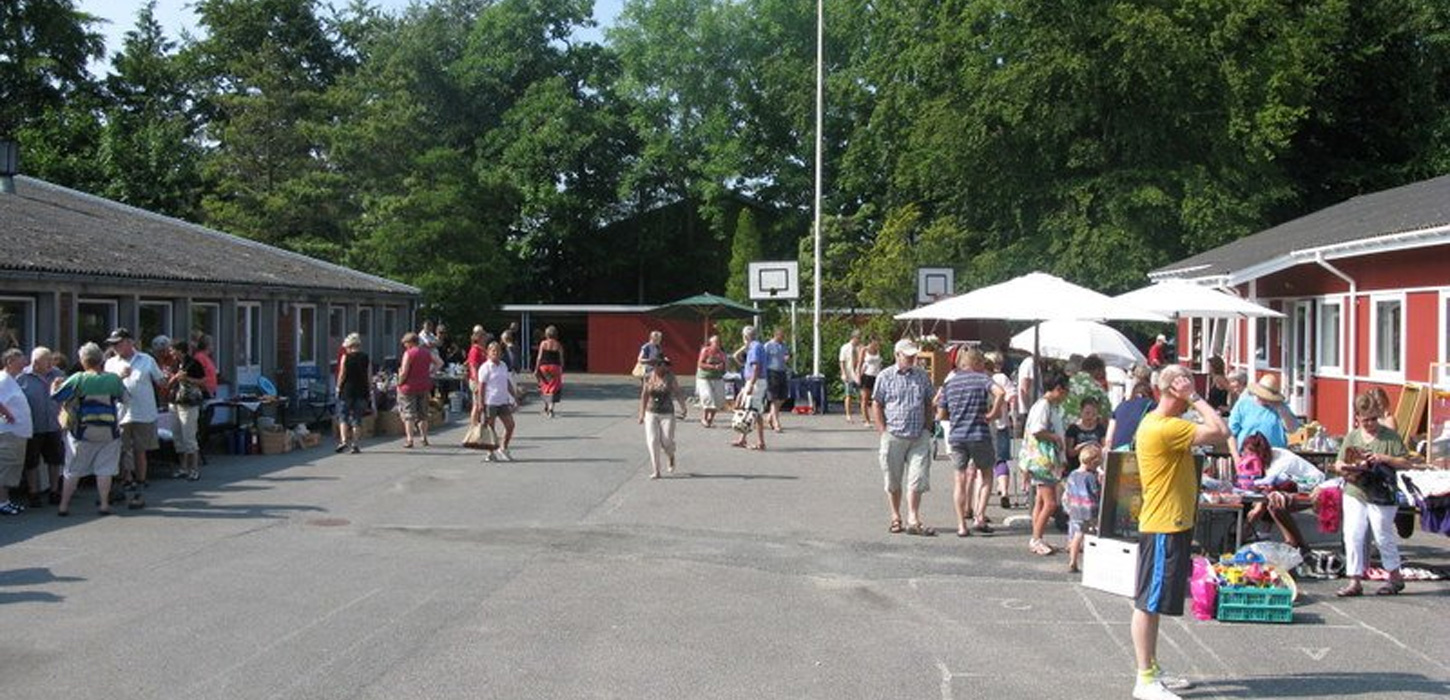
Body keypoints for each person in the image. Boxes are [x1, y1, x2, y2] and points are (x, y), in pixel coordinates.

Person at [1129, 365, 1227, 700]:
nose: (1190, 396)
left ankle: (1152, 668)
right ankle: (1144, 679)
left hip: (1172, 523)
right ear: (1173, 390)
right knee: (1148, 602)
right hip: (1162, 525)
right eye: (1186, 387)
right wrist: (1195, 396)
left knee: (1155, 601)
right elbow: (1221, 430)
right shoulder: (1164, 426)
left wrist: (1189, 394)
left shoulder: (1166, 424)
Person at [1333, 392, 1413, 597]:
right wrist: (1345, 467)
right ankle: (1354, 580)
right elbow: (1339, 462)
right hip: (1355, 489)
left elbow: (1406, 462)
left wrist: (1383, 458)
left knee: (1382, 533)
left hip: (1381, 490)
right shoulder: (1352, 436)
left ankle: (1394, 576)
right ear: (1357, 417)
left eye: (1373, 419)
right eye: (1365, 420)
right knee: (1353, 534)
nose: (1370, 424)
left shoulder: (1389, 437)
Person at [51, 342, 129, 516]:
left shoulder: (78, 378)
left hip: (82, 432)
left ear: (83, 360)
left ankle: (63, 506)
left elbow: (57, 397)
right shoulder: (113, 379)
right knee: (105, 469)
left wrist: (54, 386)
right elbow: (126, 399)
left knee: (72, 470)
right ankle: (104, 504)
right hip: (109, 431)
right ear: (101, 360)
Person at [936, 348, 1006, 536]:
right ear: (975, 363)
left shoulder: (950, 383)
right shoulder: (982, 379)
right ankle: (979, 517)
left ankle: (961, 525)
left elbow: (941, 414)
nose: (984, 366)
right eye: (981, 362)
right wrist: (992, 414)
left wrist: (956, 416)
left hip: (957, 436)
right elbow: (1000, 393)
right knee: (986, 475)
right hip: (979, 433)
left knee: (959, 479)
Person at [873, 338, 936, 536]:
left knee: (917, 478)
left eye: (913, 356)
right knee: (893, 479)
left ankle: (913, 517)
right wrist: (882, 429)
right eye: (907, 356)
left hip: (918, 436)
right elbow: (877, 403)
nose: (911, 359)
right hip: (894, 434)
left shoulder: (922, 376)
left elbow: (928, 402)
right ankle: (895, 516)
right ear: (897, 355)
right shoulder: (885, 376)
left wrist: (927, 428)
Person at [104, 328, 166, 509]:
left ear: (129, 342)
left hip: (143, 412)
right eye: (113, 344)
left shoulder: (146, 360)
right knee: (120, 451)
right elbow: (106, 386)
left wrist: (165, 379)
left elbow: (160, 381)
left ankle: (139, 488)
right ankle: (121, 484)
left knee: (140, 451)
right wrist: (119, 377)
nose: (115, 347)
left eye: (118, 343)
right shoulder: (110, 363)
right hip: (121, 413)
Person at [1021, 369, 1070, 555]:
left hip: (1042, 460)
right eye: (1065, 390)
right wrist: (1056, 438)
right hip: (1042, 460)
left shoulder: (1049, 406)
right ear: (1058, 389)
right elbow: (1037, 430)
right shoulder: (1044, 406)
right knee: (1050, 503)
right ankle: (1036, 538)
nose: (1066, 395)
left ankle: (1037, 536)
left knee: (1041, 502)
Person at [18, 347, 65, 506]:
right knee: (31, 461)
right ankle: (33, 493)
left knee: (55, 460)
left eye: (51, 360)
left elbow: (68, 394)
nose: (51, 364)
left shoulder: (57, 374)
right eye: (47, 361)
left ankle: (54, 491)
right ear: (36, 363)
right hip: (33, 426)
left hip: (53, 425)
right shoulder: (22, 377)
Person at [1227, 373, 1298, 463]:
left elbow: (1292, 429)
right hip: (1248, 457)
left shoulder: (1281, 407)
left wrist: (1280, 409)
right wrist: (1236, 457)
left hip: (1276, 458)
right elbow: (1230, 434)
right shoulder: (1243, 404)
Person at [638, 357, 687, 479]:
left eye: (665, 365)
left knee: (667, 441)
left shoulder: (670, 377)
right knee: (652, 440)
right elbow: (644, 394)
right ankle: (656, 470)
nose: (664, 367)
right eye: (660, 365)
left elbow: (677, 392)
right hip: (651, 412)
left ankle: (671, 456)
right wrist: (641, 413)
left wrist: (683, 407)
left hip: (667, 413)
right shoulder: (648, 376)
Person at [0, 349, 35, 515]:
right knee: (5, 467)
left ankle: (5, 500)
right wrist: (6, 413)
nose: (24, 363)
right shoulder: (3, 379)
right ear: (10, 361)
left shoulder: (11, 380)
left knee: (11, 468)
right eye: (20, 360)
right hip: (8, 433)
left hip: (16, 433)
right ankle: (2, 502)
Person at [166, 340, 207, 479]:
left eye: (172, 350)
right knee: (177, 436)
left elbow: (203, 382)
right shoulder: (174, 364)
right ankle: (183, 467)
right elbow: (169, 383)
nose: (170, 352)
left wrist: (187, 379)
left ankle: (194, 469)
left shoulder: (194, 363)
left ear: (180, 350)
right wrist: (173, 377)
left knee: (189, 436)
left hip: (189, 403)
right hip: (174, 401)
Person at [395, 332, 440, 448]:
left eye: (405, 343)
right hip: (424, 385)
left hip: (409, 387)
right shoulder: (427, 352)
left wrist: (399, 382)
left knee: (409, 414)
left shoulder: (408, 353)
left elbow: (404, 372)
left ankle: (410, 439)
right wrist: (431, 372)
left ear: (410, 342)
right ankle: (424, 437)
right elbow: (440, 363)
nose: (405, 346)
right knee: (423, 414)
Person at [1064, 443, 1104, 573]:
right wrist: (1100, 482)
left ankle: (1073, 560)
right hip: (1089, 510)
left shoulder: (1072, 474)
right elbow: (1096, 492)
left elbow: (1068, 491)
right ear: (1093, 463)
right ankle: (1092, 562)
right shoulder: (1090, 477)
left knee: (1077, 535)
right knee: (1092, 535)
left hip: (1075, 509)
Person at [986, 352, 1017, 510]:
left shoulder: (983, 378)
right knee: (1001, 460)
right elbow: (1012, 397)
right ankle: (1004, 490)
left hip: (985, 425)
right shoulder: (1003, 378)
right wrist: (1013, 415)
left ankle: (982, 495)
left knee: (984, 463)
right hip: (1001, 424)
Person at [477, 341, 518, 462]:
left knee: (510, 425)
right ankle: (490, 452)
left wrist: (514, 396)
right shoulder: (485, 367)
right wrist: (480, 403)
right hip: (490, 401)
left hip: (503, 400)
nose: (496, 353)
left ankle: (503, 447)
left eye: (498, 351)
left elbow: (507, 382)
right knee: (491, 428)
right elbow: (481, 387)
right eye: (493, 351)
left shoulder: (503, 365)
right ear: (488, 353)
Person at [731, 326, 767, 450]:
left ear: (745, 336)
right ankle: (743, 439)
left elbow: (756, 367)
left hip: (756, 381)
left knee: (753, 411)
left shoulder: (755, 348)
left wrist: (751, 384)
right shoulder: (754, 346)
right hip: (753, 380)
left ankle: (760, 442)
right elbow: (736, 357)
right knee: (751, 411)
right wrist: (744, 346)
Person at [334, 333, 371, 454]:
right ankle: (355, 444)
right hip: (362, 391)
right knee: (357, 418)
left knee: (343, 416)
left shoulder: (346, 357)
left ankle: (344, 441)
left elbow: (342, 374)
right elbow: (369, 375)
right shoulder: (366, 357)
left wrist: (338, 387)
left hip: (347, 390)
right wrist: (370, 390)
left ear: (349, 346)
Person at [1062, 354, 1110, 424]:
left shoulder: (1068, 381)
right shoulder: (1097, 388)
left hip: (1061, 425)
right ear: (1097, 370)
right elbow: (1105, 415)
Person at [1065, 396, 1107, 470]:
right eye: (1087, 413)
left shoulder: (1100, 428)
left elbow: (1105, 449)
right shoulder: (1073, 428)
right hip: (1077, 468)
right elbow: (1070, 452)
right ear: (1081, 412)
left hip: (1095, 468)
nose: (1090, 417)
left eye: (1094, 414)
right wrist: (1085, 445)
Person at [694, 335, 727, 428]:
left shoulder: (721, 353)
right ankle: (704, 418)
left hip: (718, 377)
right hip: (704, 377)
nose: (718, 344)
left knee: (718, 400)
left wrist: (722, 368)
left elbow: (724, 366)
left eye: (719, 342)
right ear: (711, 343)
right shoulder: (706, 350)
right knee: (708, 397)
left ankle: (710, 419)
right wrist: (713, 367)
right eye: (716, 342)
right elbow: (700, 364)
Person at [763, 327, 791, 432]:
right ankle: (776, 423)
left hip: (782, 371)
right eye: (781, 336)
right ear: (776, 335)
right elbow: (764, 360)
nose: (783, 338)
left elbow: (786, 354)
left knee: (783, 397)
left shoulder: (784, 345)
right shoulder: (768, 345)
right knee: (774, 398)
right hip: (772, 372)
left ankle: (770, 416)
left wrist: (787, 357)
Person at [533, 325, 564, 418]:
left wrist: (536, 368)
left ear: (546, 334)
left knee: (545, 386)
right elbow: (561, 358)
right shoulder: (558, 344)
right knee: (554, 388)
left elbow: (539, 357)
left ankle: (546, 407)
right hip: (555, 366)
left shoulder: (543, 343)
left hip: (544, 366)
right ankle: (551, 409)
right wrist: (561, 368)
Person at [856, 336, 883, 431]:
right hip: (867, 375)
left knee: (876, 398)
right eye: (876, 341)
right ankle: (866, 420)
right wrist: (858, 376)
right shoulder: (864, 350)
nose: (877, 343)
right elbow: (859, 364)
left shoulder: (878, 350)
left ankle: (876, 417)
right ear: (871, 341)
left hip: (877, 376)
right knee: (865, 398)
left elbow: (879, 364)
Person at [839, 329, 862, 423]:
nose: (859, 340)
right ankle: (848, 415)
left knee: (862, 395)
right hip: (849, 374)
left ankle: (863, 414)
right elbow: (842, 361)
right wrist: (843, 373)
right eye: (858, 338)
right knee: (848, 395)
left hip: (858, 374)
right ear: (854, 338)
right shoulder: (845, 347)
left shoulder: (860, 348)